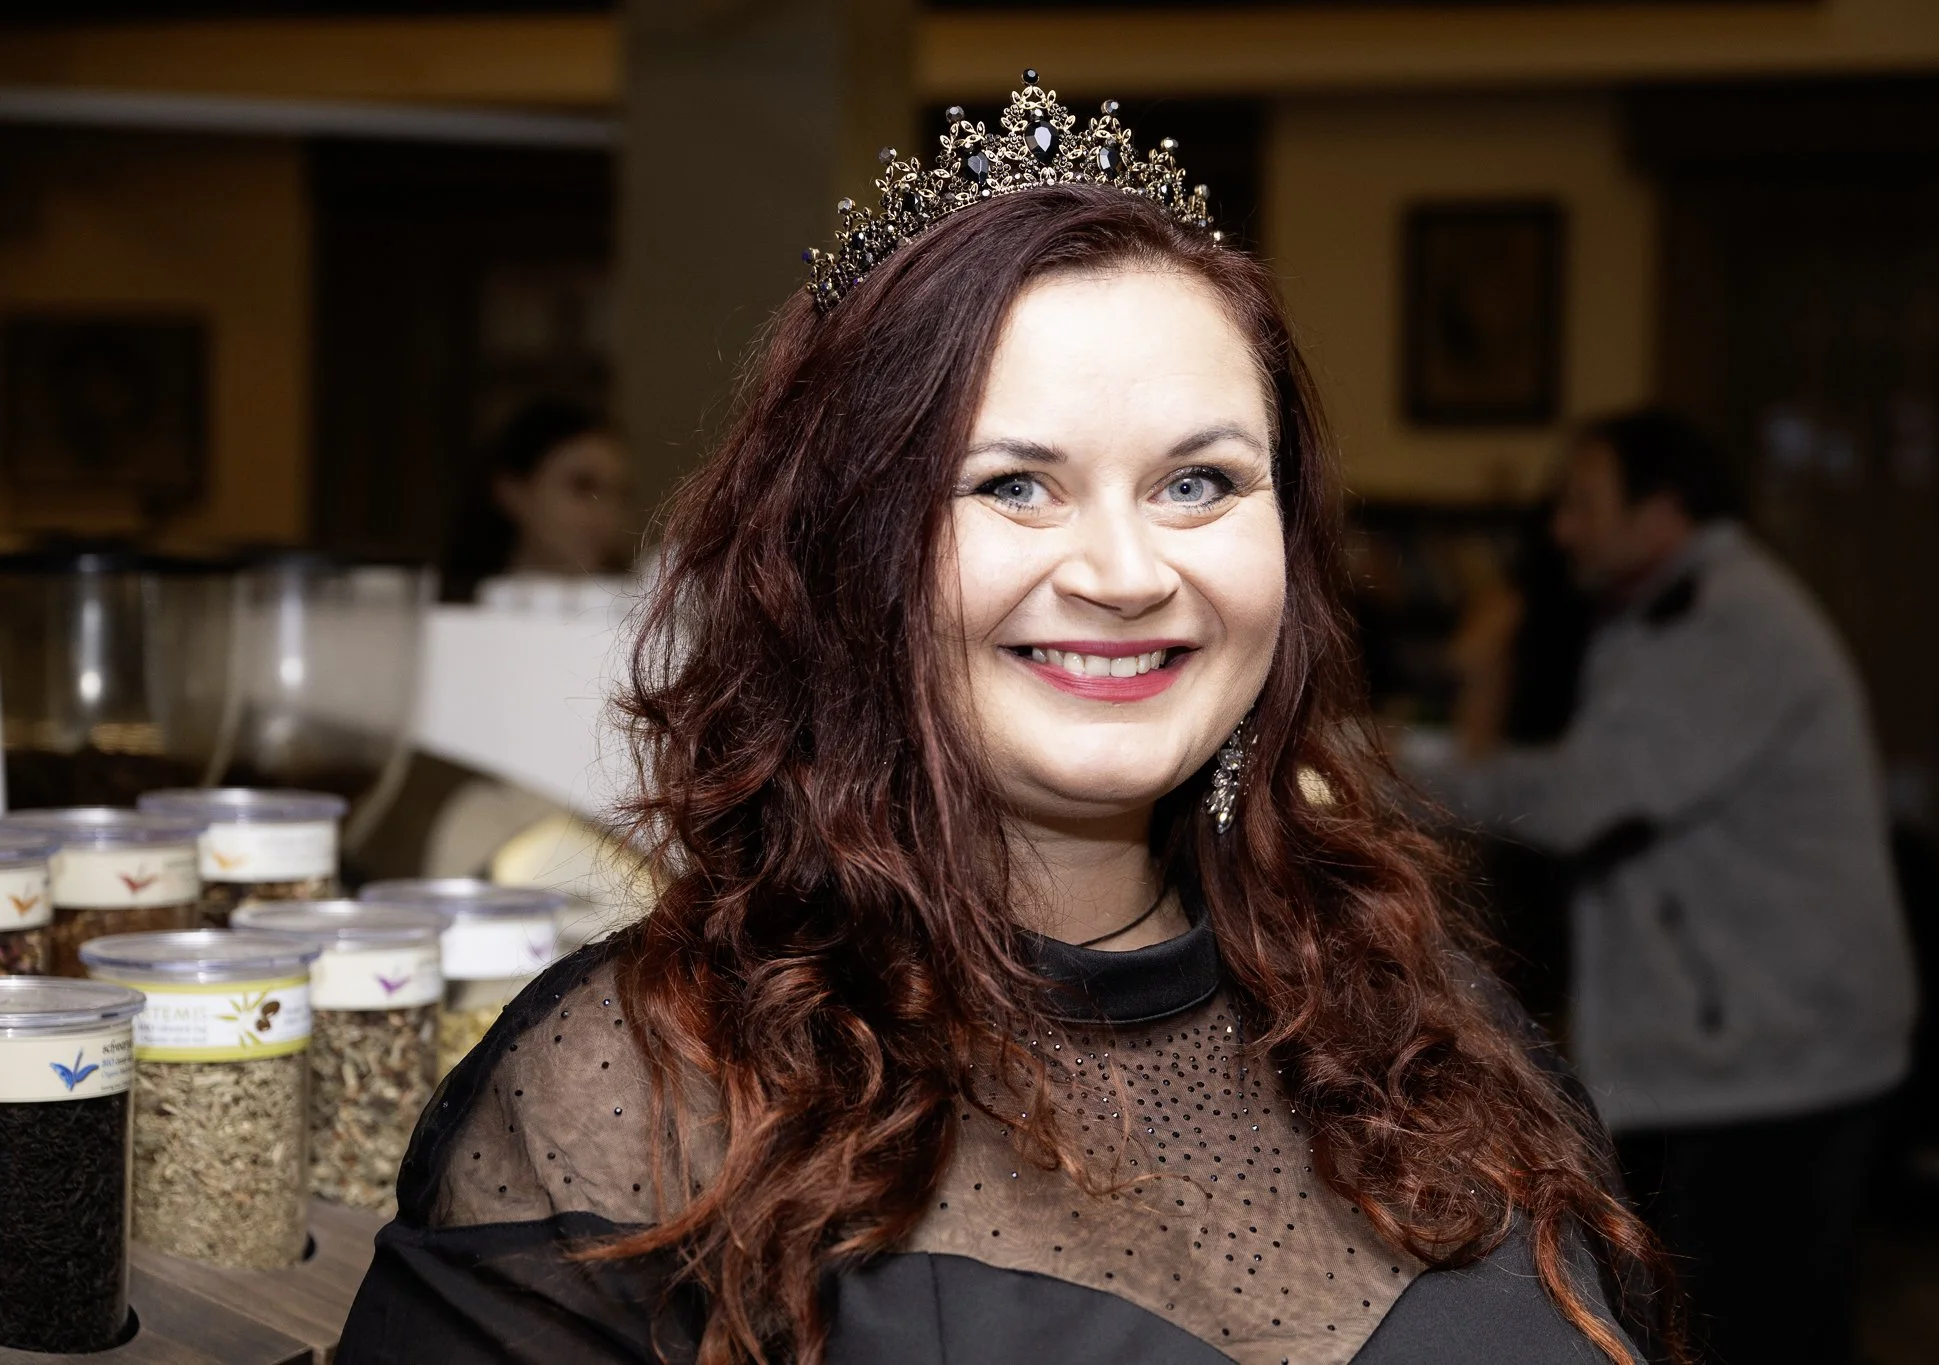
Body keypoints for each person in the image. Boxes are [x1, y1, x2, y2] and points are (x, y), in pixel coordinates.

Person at [339, 79, 1679, 1365]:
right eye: (1014, 487)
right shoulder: (643, 1085)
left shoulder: (1429, 1022)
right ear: (846, 553)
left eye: (1197, 483)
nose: (1126, 573)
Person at [1406, 409, 1918, 1365]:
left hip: (1771, 1062)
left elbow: (1575, 798)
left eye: (1585, 502)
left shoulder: (1726, 621)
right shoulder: (1651, 613)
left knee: (1750, 1330)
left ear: (1662, 512)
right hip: (1747, 1048)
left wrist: (1382, 766)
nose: (1563, 527)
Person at [440, 397, 631, 602]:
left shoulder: (633, 607)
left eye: (621, 495)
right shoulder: (449, 611)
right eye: (582, 487)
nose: (607, 514)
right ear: (512, 491)